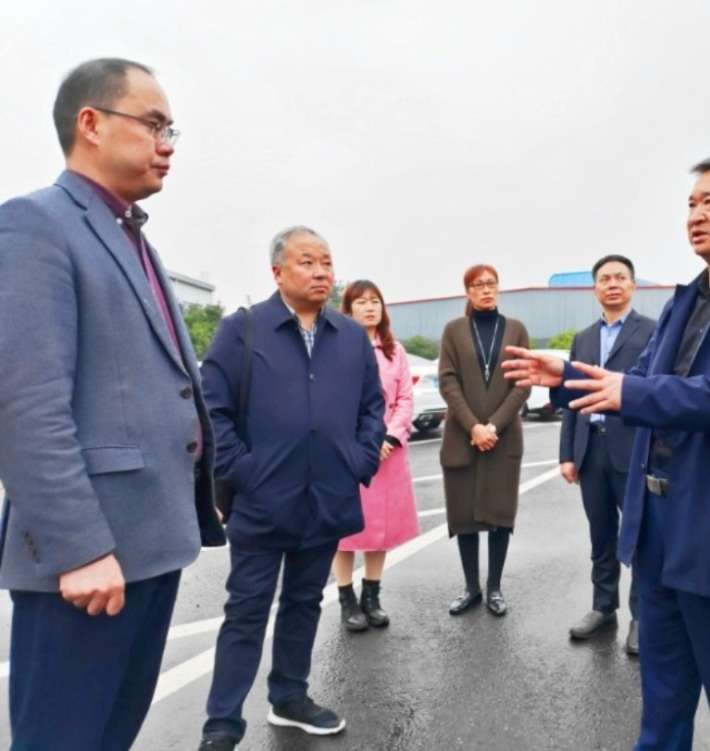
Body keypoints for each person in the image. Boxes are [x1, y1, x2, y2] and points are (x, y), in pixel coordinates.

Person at [505, 150, 710, 750]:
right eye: (690, 204)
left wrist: (632, 392)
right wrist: (568, 373)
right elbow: (641, 382)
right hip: (658, 529)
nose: (694, 215)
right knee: (662, 701)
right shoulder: (685, 299)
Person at [0, 58, 225, 750]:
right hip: (91, 561)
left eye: (171, 129)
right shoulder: (35, 225)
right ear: (91, 124)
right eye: (154, 124)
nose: (167, 143)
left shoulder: (132, 236)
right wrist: (78, 548)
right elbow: (26, 405)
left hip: (149, 546)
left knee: (110, 736)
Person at [198, 227, 385, 749]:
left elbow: (372, 408)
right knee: (246, 611)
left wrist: (357, 461)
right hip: (262, 501)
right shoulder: (243, 329)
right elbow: (212, 411)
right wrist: (243, 472)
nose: (321, 271)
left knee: (305, 603)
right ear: (277, 271)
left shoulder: (350, 336)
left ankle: (290, 697)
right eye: (307, 262)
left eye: (327, 262)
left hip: (328, 497)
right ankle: (222, 723)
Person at [560, 254, 655, 654]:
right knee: (600, 535)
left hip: (633, 449)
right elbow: (571, 399)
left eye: (620, 277)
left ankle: (642, 617)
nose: (612, 284)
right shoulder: (583, 338)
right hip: (590, 450)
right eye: (604, 279)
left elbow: (658, 391)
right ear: (594, 288)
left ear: (632, 285)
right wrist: (567, 454)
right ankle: (603, 608)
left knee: (639, 538)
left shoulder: (652, 331)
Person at [438, 264, 530, 617]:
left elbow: (522, 384)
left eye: (491, 284)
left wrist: (493, 426)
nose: (486, 290)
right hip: (462, 437)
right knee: (463, 516)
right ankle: (471, 588)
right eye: (478, 285)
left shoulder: (516, 329)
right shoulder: (454, 330)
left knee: (500, 514)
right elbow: (448, 382)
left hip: (502, 439)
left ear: (499, 288)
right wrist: (473, 426)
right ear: (468, 291)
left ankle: (494, 588)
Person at [333, 279, 420, 631]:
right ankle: (346, 598)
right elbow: (335, 402)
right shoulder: (336, 349)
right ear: (348, 309)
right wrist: (365, 441)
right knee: (344, 531)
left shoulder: (394, 351)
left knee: (379, 527)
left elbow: (405, 399)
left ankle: (372, 595)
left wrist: (391, 435)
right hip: (351, 453)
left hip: (389, 452)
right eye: (361, 302)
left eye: (375, 301)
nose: (370, 307)